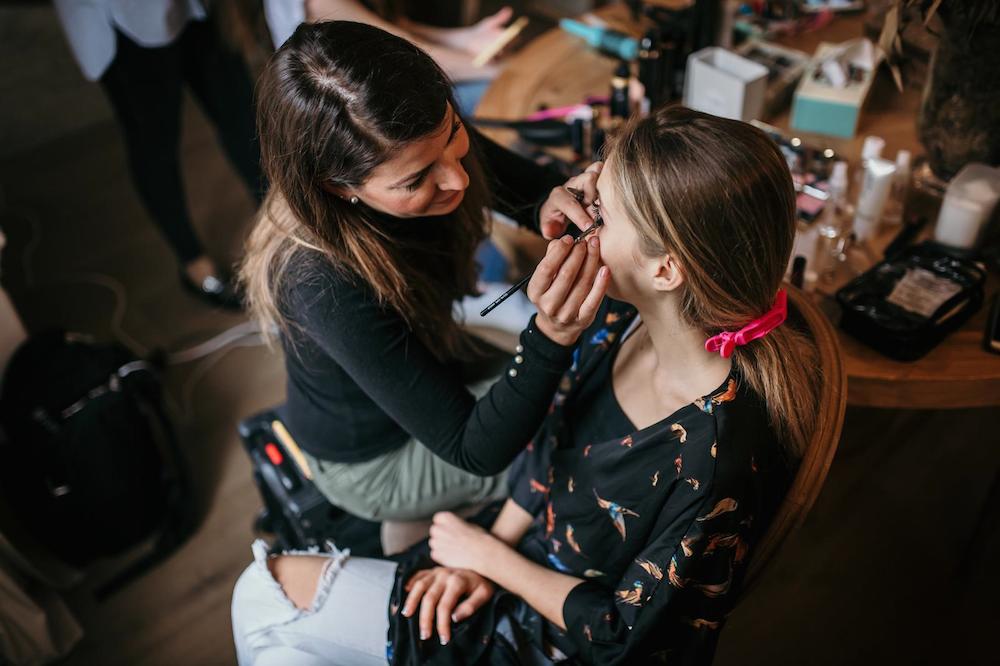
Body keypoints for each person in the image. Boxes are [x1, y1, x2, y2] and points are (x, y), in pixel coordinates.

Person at [231, 106, 822, 664]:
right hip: (513, 555)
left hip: (551, 633)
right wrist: (488, 552)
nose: (579, 218)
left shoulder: (715, 458)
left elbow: (622, 640)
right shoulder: (614, 320)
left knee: (264, 598)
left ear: (666, 268)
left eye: (601, 211)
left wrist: (490, 558)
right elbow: (550, 443)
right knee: (270, 607)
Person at [239, 21, 610, 525]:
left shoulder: (418, 135)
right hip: (375, 460)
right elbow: (472, 448)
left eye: (455, 133)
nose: (457, 177)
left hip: (440, 354)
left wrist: (563, 200)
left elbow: (533, 192)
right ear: (336, 186)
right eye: (416, 179)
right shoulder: (319, 283)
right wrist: (552, 334)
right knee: (594, 434)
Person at [53, 0, 265, 309]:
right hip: (125, 18)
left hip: (200, 7)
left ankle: (285, 222)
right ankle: (194, 264)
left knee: (239, 109)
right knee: (155, 143)